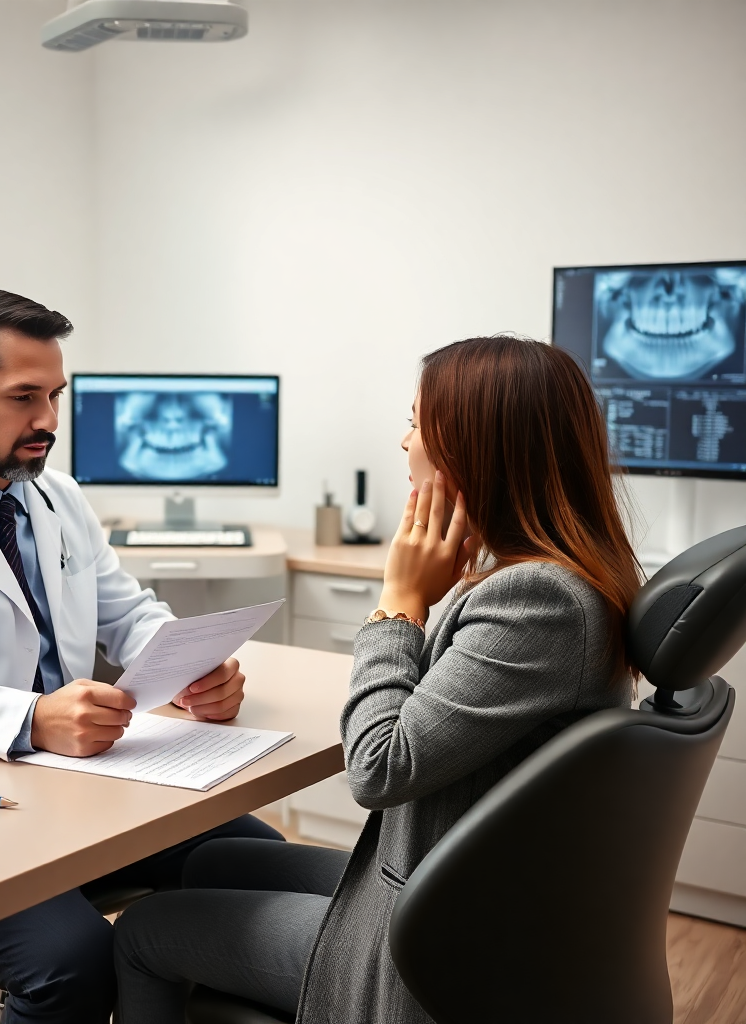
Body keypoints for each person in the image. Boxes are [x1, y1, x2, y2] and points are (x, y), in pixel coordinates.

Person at [113, 335, 642, 1024]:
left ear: (474, 447)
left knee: (145, 930)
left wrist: (397, 605)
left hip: (438, 943)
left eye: (418, 423)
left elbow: (378, 766)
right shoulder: (542, 580)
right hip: (447, 884)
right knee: (217, 860)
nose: (403, 443)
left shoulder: (539, 602)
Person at [0, 284, 281, 1024]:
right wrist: (32, 718)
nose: (48, 422)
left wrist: (194, 667)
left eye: (56, 395)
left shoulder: (56, 497)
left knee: (263, 867)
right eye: (24, 397)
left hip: (66, 793)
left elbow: (128, 614)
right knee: (72, 962)